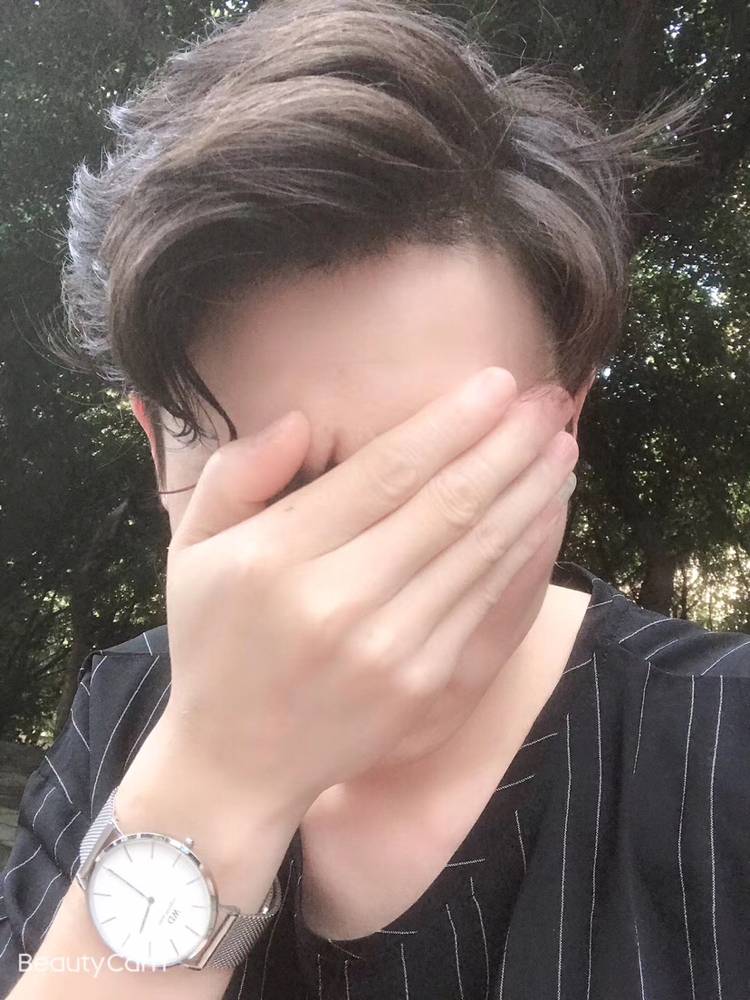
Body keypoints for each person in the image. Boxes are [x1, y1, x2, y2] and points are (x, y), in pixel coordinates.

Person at [2, 0, 748, 997]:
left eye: (439, 477)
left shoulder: (724, 749)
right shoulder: (125, 710)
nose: (343, 592)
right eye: (276, 488)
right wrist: (218, 781)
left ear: (564, 429)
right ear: (155, 448)